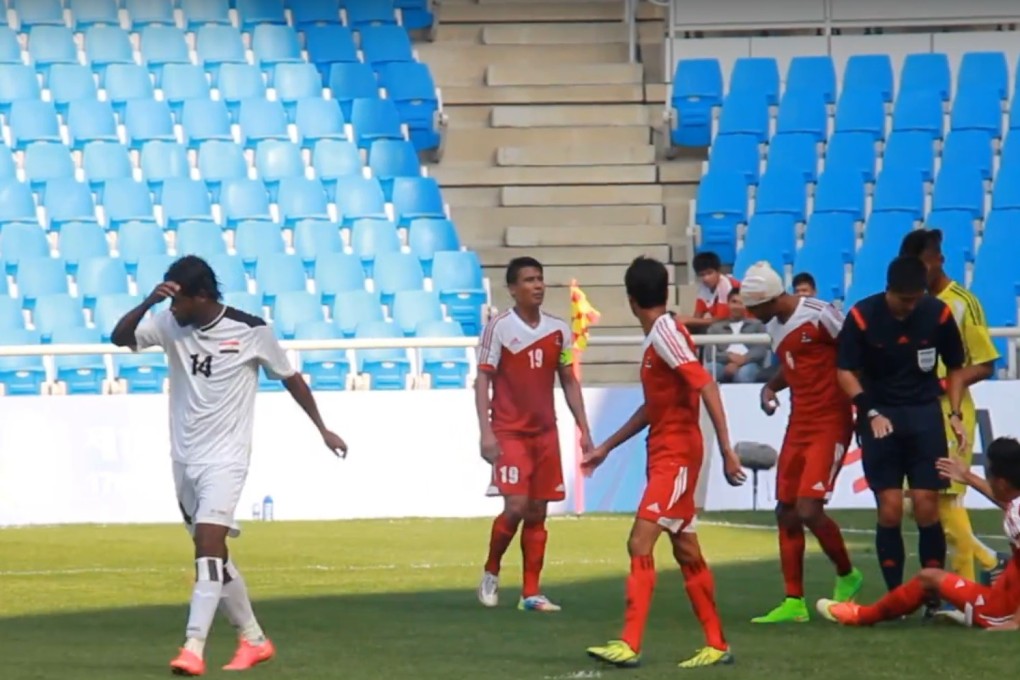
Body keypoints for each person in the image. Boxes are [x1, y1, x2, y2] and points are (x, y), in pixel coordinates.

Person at [111, 256, 347, 676]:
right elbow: (119, 338)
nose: (173, 309)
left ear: (201, 296)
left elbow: (290, 377)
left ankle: (193, 647)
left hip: (226, 458)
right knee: (215, 553)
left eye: (178, 300)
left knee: (206, 545)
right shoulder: (169, 324)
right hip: (183, 458)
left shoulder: (251, 330)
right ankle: (254, 639)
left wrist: (322, 428)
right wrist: (149, 300)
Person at [583, 256, 747, 669]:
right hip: (666, 451)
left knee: (639, 542)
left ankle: (630, 643)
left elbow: (705, 383)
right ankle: (716, 643)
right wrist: (607, 446)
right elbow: (653, 407)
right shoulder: (663, 335)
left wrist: (728, 449)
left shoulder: (664, 335)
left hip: (676, 456)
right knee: (687, 550)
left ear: (631, 300)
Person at [836, 256, 968, 615]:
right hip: (880, 416)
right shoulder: (863, 317)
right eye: (904, 300)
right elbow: (844, 371)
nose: (910, 306)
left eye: (915, 299)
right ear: (889, 291)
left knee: (926, 505)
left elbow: (956, 366)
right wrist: (869, 410)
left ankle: (932, 595)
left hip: (925, 415)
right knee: (891, 509)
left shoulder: (937, 314)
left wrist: (954, 413)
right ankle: (897, 597)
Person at [739, 262, 863, 624]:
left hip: (831, 421)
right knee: (786, 510)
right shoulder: (776, 325)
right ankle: (794, 602)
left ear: (772, 299)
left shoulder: (821, 315)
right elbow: (795, 365)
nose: (752, 315)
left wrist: (866, 403)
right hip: (800, 422)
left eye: (755, 308)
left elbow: (857, 352)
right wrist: (770, 387)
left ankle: (847, 574)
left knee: (809, 508)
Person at [475, 256, 592, 613]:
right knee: (515, 506)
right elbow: (483, 379)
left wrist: (584, 429)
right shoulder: (499, 327)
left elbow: (569, 380)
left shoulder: (558, 330)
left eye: (540, 279)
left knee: (539, 510)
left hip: (545, 433)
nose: (537, 286)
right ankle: (491, 570)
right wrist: (486, 432)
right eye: (528, 280)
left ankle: (531, 593)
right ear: (512, 289)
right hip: (509, 431)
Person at [899, 229, 1008, 587]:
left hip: (950, 412)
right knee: (919, 502)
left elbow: (986, 362)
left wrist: (947, 385)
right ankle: (990, 561)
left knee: (945, 502)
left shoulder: (963, 302)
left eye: (922, 264)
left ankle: (962, 592)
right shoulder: (909, 302)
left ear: (938, 261)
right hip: (914, 410)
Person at [817, 437, 1020, 629]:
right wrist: (968, 477)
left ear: (1001, 482)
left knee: (928, 578)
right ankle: (965, 609)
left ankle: (860, 616)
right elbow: (1007, 501)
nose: (989, 481)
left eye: (990, 476)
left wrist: (1014, 622)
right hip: (1004, 596)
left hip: (1001, 610)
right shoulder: (1015, 505)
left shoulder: (1015, 516)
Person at [706, 289, 768, 383]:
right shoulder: (715, 327)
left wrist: (744, 359)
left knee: (745, 373)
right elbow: (710, 354)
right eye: (734, 302)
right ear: (728, 303)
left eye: (741, 303)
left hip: (749, 364)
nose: (737, 306)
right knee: (709, 369)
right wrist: (729, 357)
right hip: (722, 364)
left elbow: (761, 349)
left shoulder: (757, 325)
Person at [681, 251, 740, 331]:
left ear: (718, 271)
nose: (706, 278)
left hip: (742, 325)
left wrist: (688, 320)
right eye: (702, 275)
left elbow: (720, 319)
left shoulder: (726, 285)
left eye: (709, 273)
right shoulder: (703, 289)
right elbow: (697, 317)